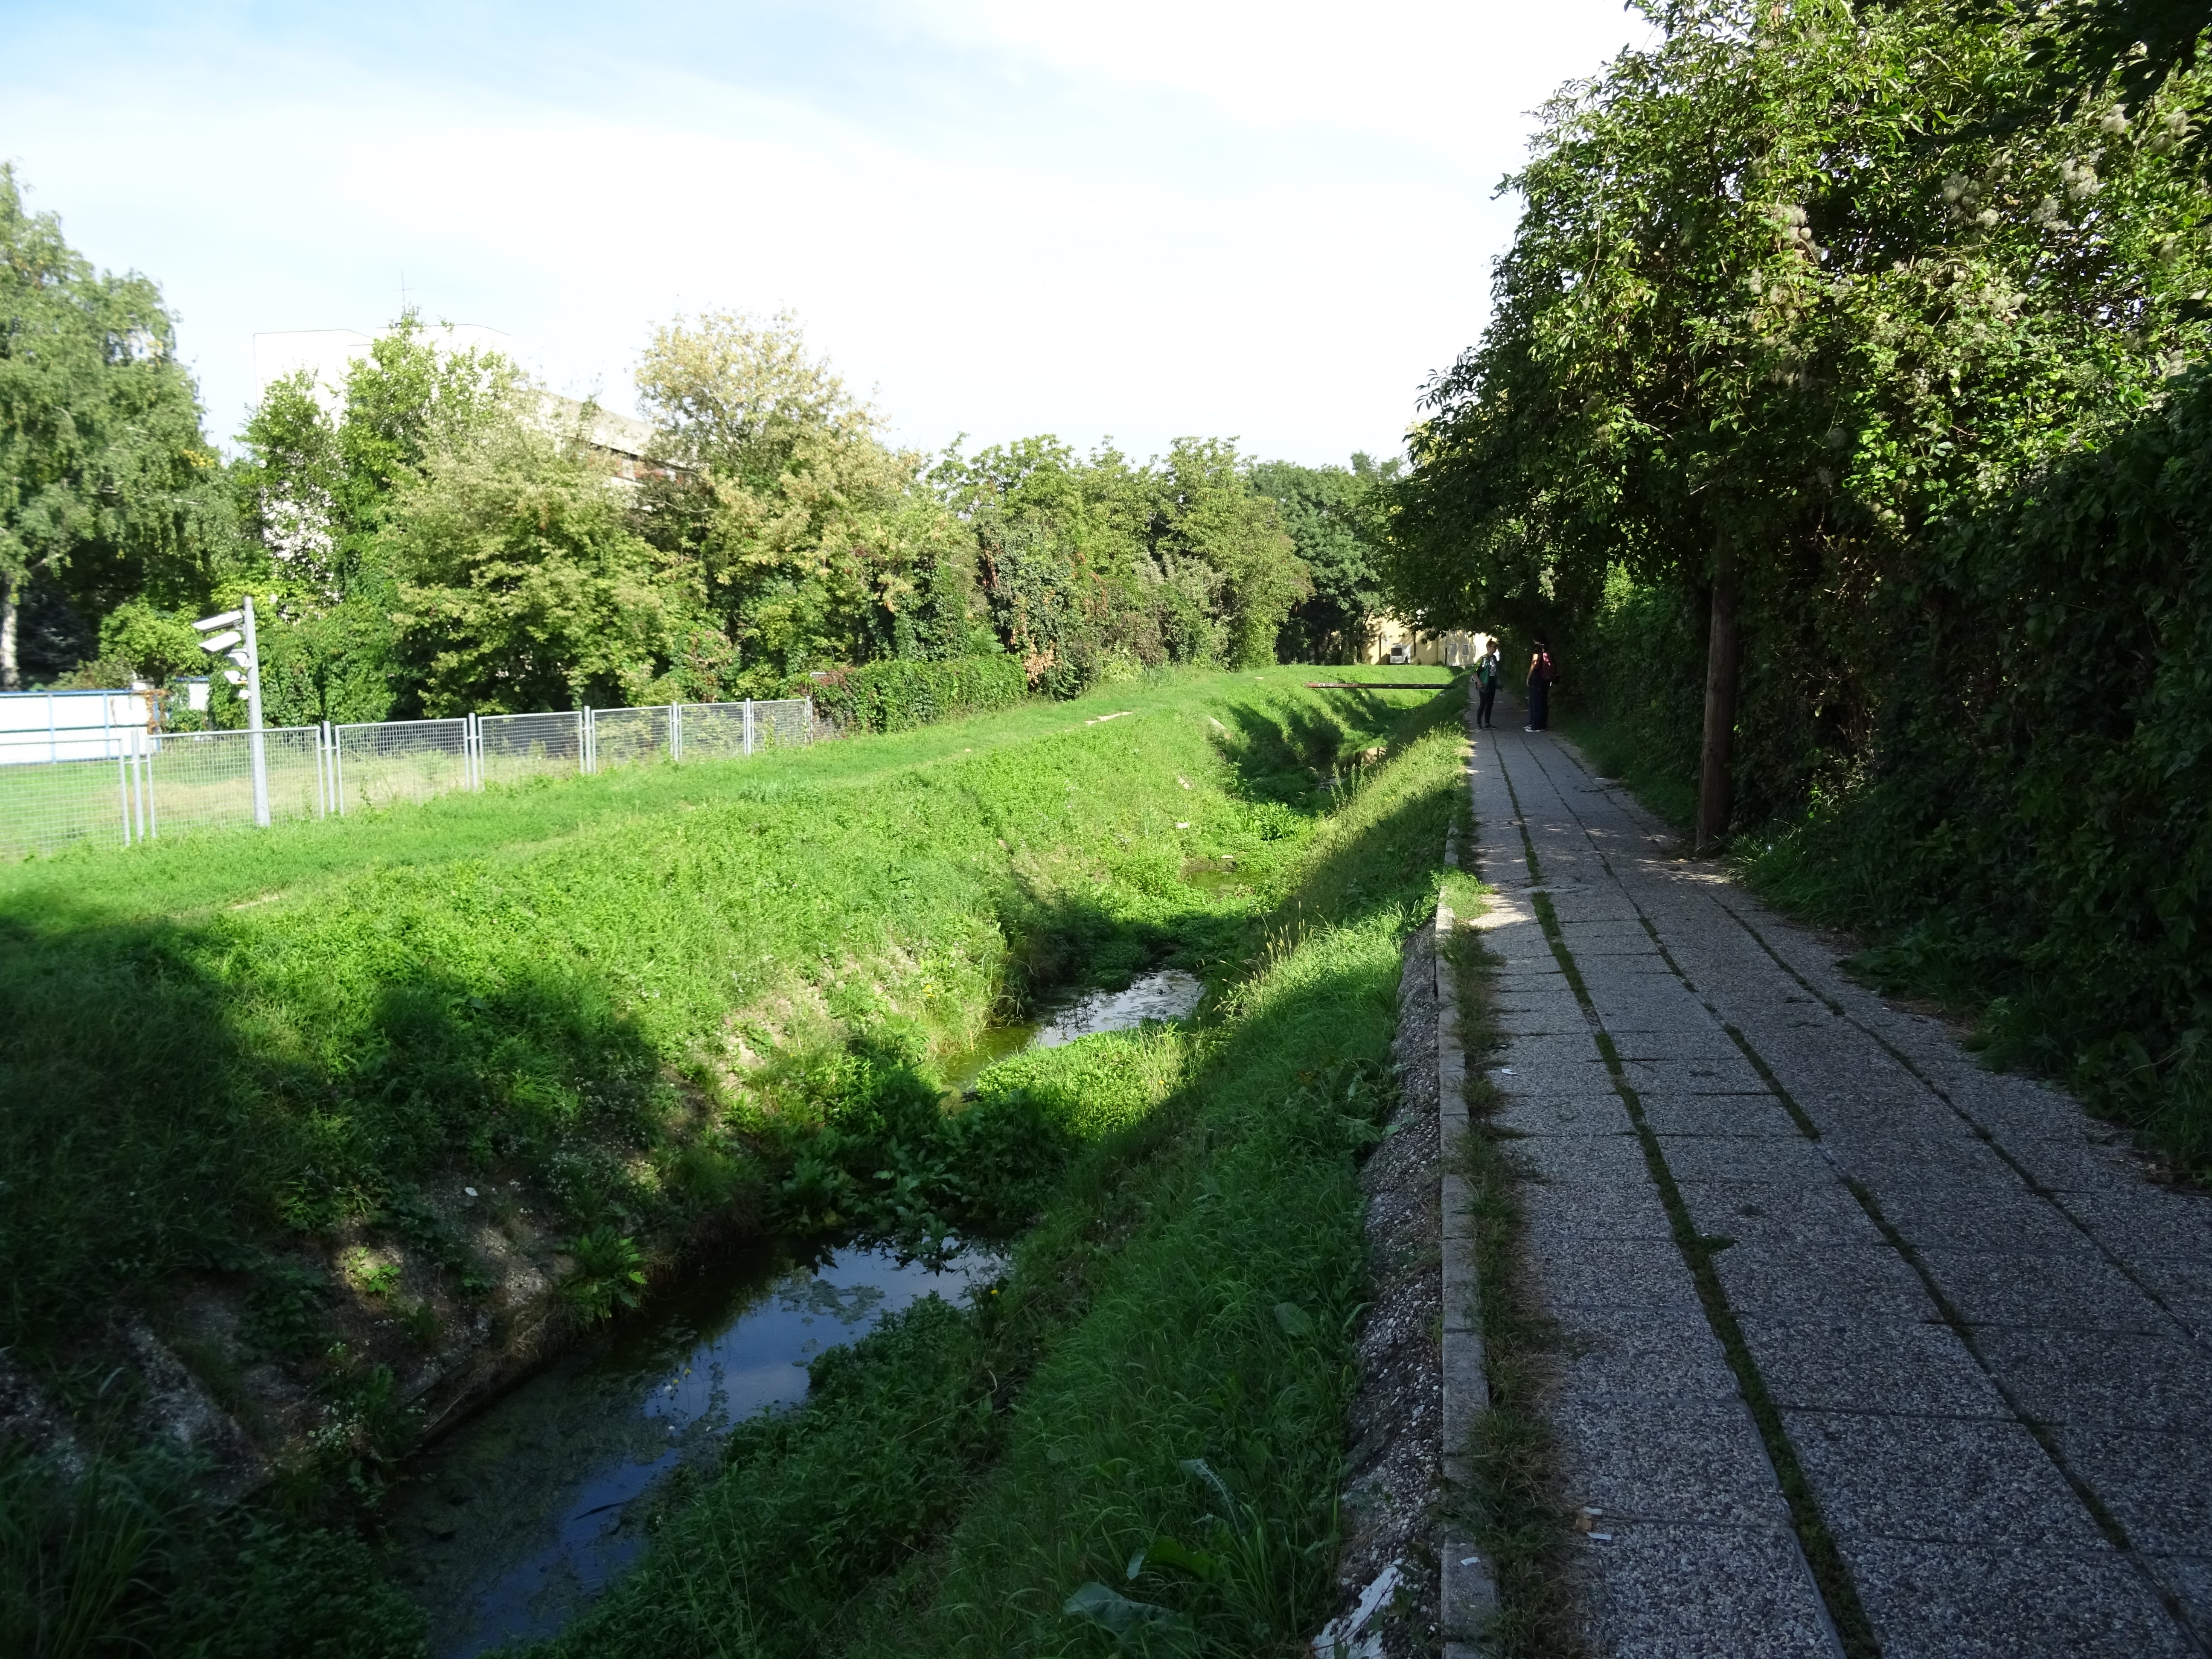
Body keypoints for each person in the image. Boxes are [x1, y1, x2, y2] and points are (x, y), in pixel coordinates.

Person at [1525, 639, 1556, 731]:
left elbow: (1534, 663)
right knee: (1543, 700)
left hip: (1538, 676)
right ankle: (1543, 724)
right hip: (1546, 677)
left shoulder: (1537, 648)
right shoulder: (1546, 648)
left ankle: (1536, 726)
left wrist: (1528, 677)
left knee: (1536, 701)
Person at [1475, 643, 1500, 729]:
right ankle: (1479, 724)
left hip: (1492, 682)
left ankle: (1487, 723)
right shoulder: (1483, 659)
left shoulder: (1494, 658)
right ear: (1489, 647)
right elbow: (1473, 670)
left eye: (1496, 647)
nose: (1496, 649)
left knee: (1490, 703)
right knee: (1483, 703)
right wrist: (1478, 681)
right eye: (1494, 647)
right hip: (1484, 683)